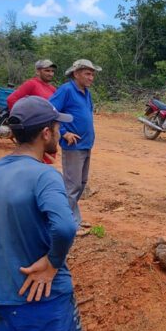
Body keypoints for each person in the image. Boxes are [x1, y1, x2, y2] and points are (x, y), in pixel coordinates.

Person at [0, 96, 90, 331]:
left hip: (3, 297)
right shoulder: (44, 175)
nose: (57, 133)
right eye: (55, 126)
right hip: (43, 300)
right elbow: (65, 226)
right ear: (46, 133)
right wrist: (53, 263)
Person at [49, 59, 101, 232]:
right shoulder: (66, 90)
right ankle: (65, 223)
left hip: (86, 144)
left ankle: (74, 219)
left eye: (92, 74)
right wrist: (64, 132)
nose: (91, 78)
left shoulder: (86, 93)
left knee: (81, 183)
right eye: (87, 74)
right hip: (73, 145)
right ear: (76, 74)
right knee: (72, 185)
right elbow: (51, 111)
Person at [7, 59, 59, 164]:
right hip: (34, 133)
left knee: (46, 163)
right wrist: (21, 121)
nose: (50, 74)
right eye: (47, 71)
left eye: (52, 71)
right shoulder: (31, 84)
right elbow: (11, 99)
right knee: (32, 161)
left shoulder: (53, 89)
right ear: (38, 71)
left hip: (48, 133)